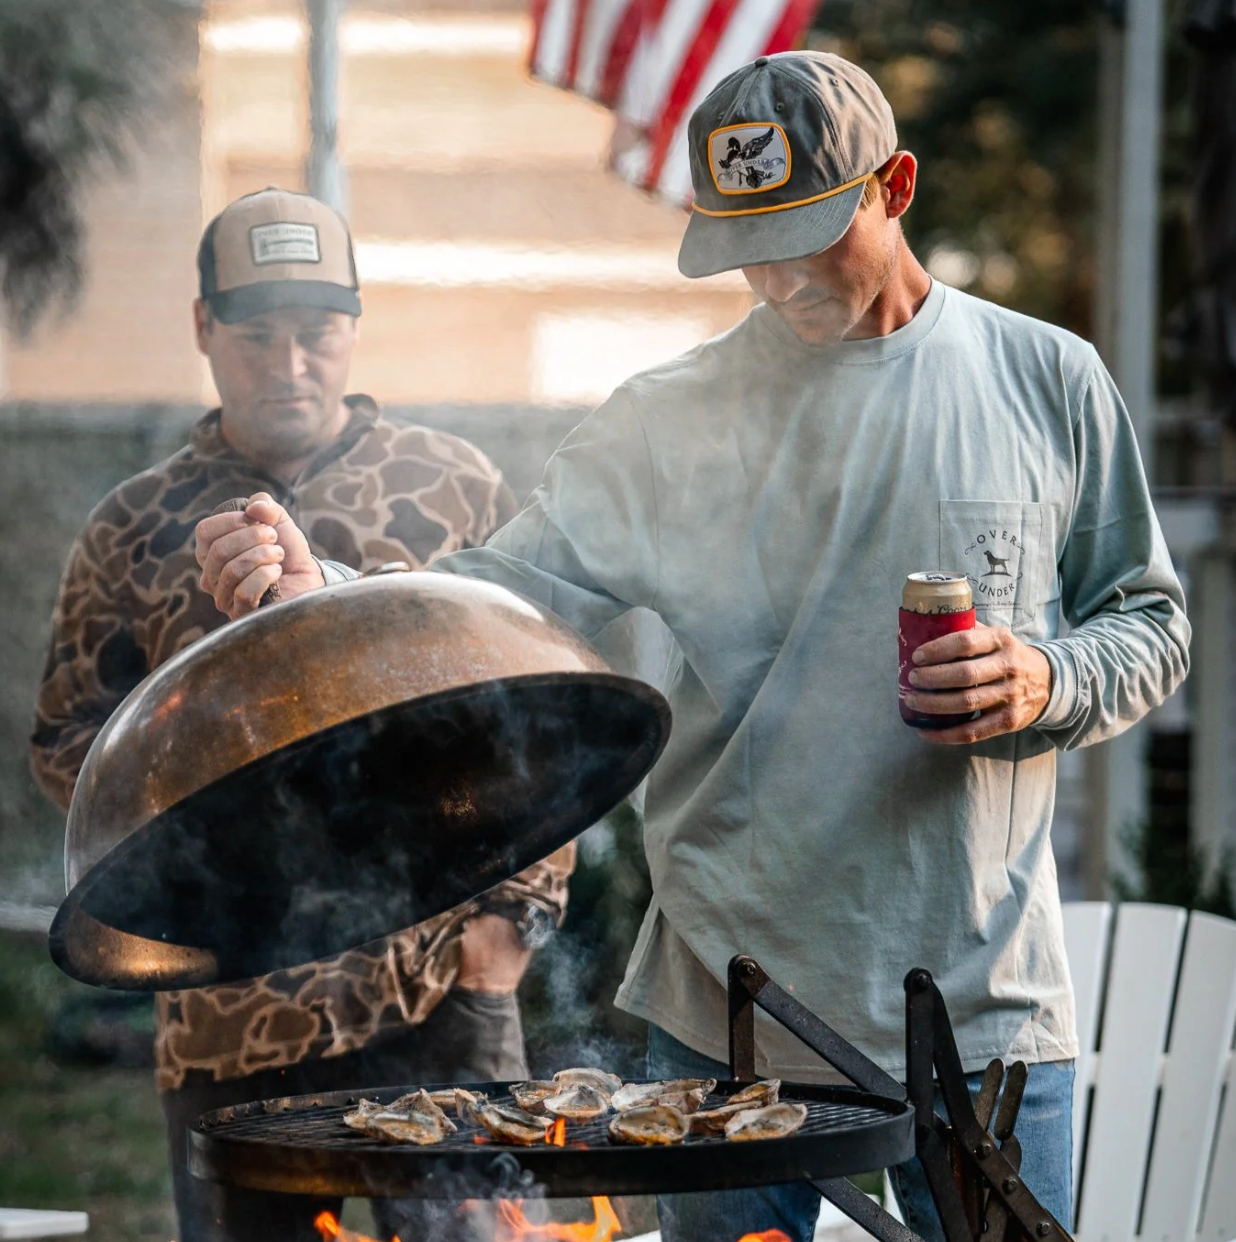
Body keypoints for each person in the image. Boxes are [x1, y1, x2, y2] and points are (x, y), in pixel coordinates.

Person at [195, 56, 1190, 1242]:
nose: (777, 278)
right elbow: (494, 601)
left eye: (811, 233)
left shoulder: (1047, 381)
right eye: (748, 245)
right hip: (728, 1008)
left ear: (898, 186)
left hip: (979, 1011)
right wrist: (331, 591)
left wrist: (1049, 676)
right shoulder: (667, 422)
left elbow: (1152, 619)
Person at [31, 188, 574, 1242]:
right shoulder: (134, 525)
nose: (288, 365)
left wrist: (507, 933)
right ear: (203, 329)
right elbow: (67, 742)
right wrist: (191, 790)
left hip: (437, 995)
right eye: (255, 335)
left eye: (316, 335)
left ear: (356, 329)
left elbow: (542, 719)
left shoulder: (452, 488)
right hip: (229, 1007)